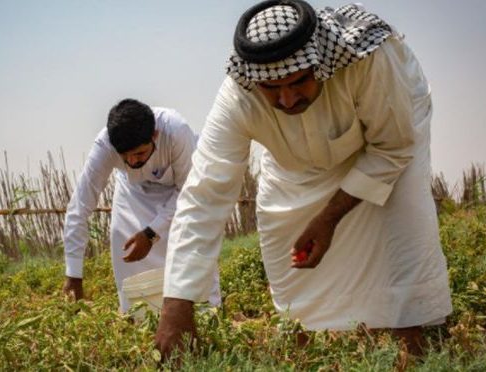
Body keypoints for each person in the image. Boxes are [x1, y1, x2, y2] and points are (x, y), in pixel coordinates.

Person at [155, 0, 452, 357]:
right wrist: (177, 306)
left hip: (389, 132)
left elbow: (392, 148)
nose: (288, 98)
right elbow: (204, 196)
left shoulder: (367, 61)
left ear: (320, 62)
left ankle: (411, 344)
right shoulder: (239, 97)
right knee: (283, 236)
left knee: (400, 222)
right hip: (296, 160)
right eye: (271, 88)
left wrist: (329, 217)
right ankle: (312, 348)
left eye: (299, 81)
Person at [62, 98, 221, 312]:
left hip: (183, 187)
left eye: (139, 153)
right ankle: (141, 319)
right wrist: (74, 275)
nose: (132, 162)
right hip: (133, 192)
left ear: (154, 135)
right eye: (124, 156)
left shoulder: (176, 131)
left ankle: (206, 313)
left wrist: (150, 233)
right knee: (126, 252)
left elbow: (187, 191)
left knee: (193, 248)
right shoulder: (105, 145)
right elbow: (79, 207)